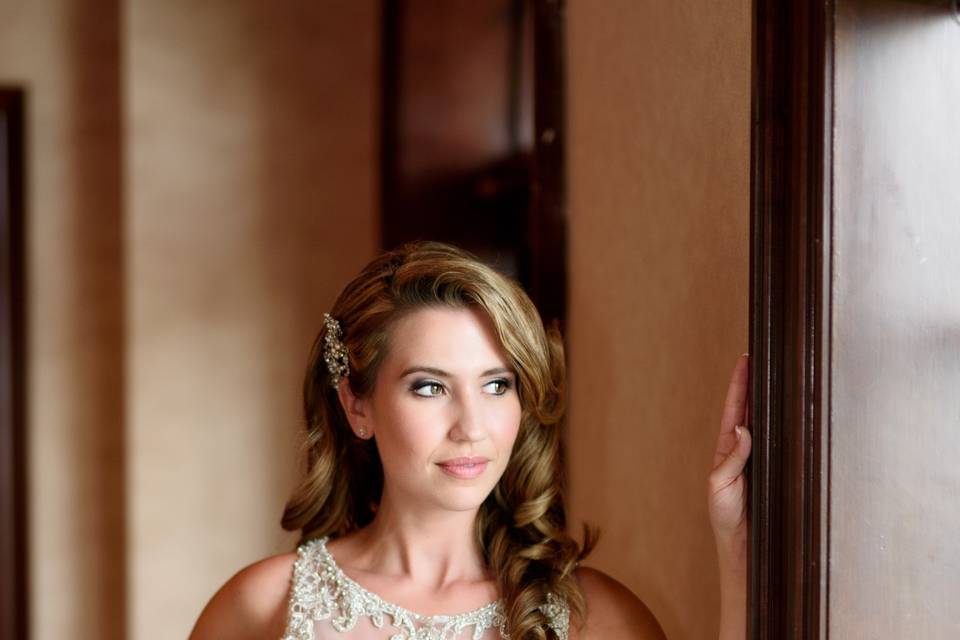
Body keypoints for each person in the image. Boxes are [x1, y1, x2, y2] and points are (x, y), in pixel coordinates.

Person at [190, 241, 751, 640]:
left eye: (497, 385)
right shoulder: (260, 606)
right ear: (356, 404)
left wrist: (735, 545)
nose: (472, 426)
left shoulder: (588, 616)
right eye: (430, 387)